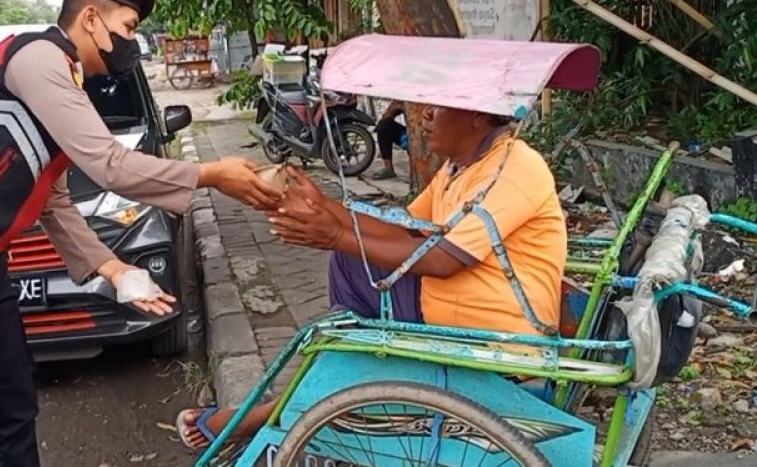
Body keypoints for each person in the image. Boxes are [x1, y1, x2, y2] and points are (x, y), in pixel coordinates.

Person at [0, 0, 282, 467]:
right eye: (129, 27)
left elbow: (53, 199)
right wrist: (212, 174)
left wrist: (117, 271)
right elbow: (110, 165)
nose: (132, 43)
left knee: (13, 411)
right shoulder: (40, 59)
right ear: (91, 18)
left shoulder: (65, 83)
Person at [176, 103, 566, 450]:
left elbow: (445, 259)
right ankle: (318, 388)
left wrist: (335, 234)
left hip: (495, 337)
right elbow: (407, 232)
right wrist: (323, 206)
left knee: (349, 267)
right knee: (348, 266)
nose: (424, 116)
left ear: (477, 114)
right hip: (445, 307)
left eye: (437, 107)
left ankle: (283, 406)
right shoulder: (459, 167)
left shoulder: (514, 166)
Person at [372, 100, 406, 180]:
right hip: (412, 136)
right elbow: (386, 116)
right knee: (384, 125)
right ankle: (388, 168)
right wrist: (397, 106)